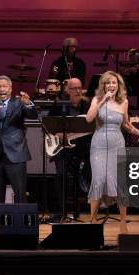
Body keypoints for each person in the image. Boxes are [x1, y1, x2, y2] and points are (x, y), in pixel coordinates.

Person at [86, 71, 139, 233]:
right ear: (104, 85)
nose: (111, 85)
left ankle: (122, 223)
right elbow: (89, 118)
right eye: (108, 83)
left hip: (117, 145)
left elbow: (126, 125)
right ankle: (92, 222)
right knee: (98, 180)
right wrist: (102, 101)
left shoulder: (124, 102)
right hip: (98, 145)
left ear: (118, 85)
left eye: (114, 83)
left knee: (119, 182)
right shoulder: (96, 99)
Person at [0, 75, 38, 210]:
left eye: (5, 86)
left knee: (20, 193)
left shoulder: (18, 103)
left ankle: (21, 227)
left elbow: (33, 115)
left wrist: (28, 103)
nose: (2, 89)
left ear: (10, 89)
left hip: (16, 154)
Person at [48, 78, 90, 220]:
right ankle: (62, 211)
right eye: (74, 88)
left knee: (88, 169)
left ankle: (83, 208)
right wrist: (59, 136)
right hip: (62, 148)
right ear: (67, 90)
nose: (78, 91)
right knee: (60, 175)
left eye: (79, 87)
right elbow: (49, 126)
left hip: (81, 147)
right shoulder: (59, 104)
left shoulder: (87, 105)